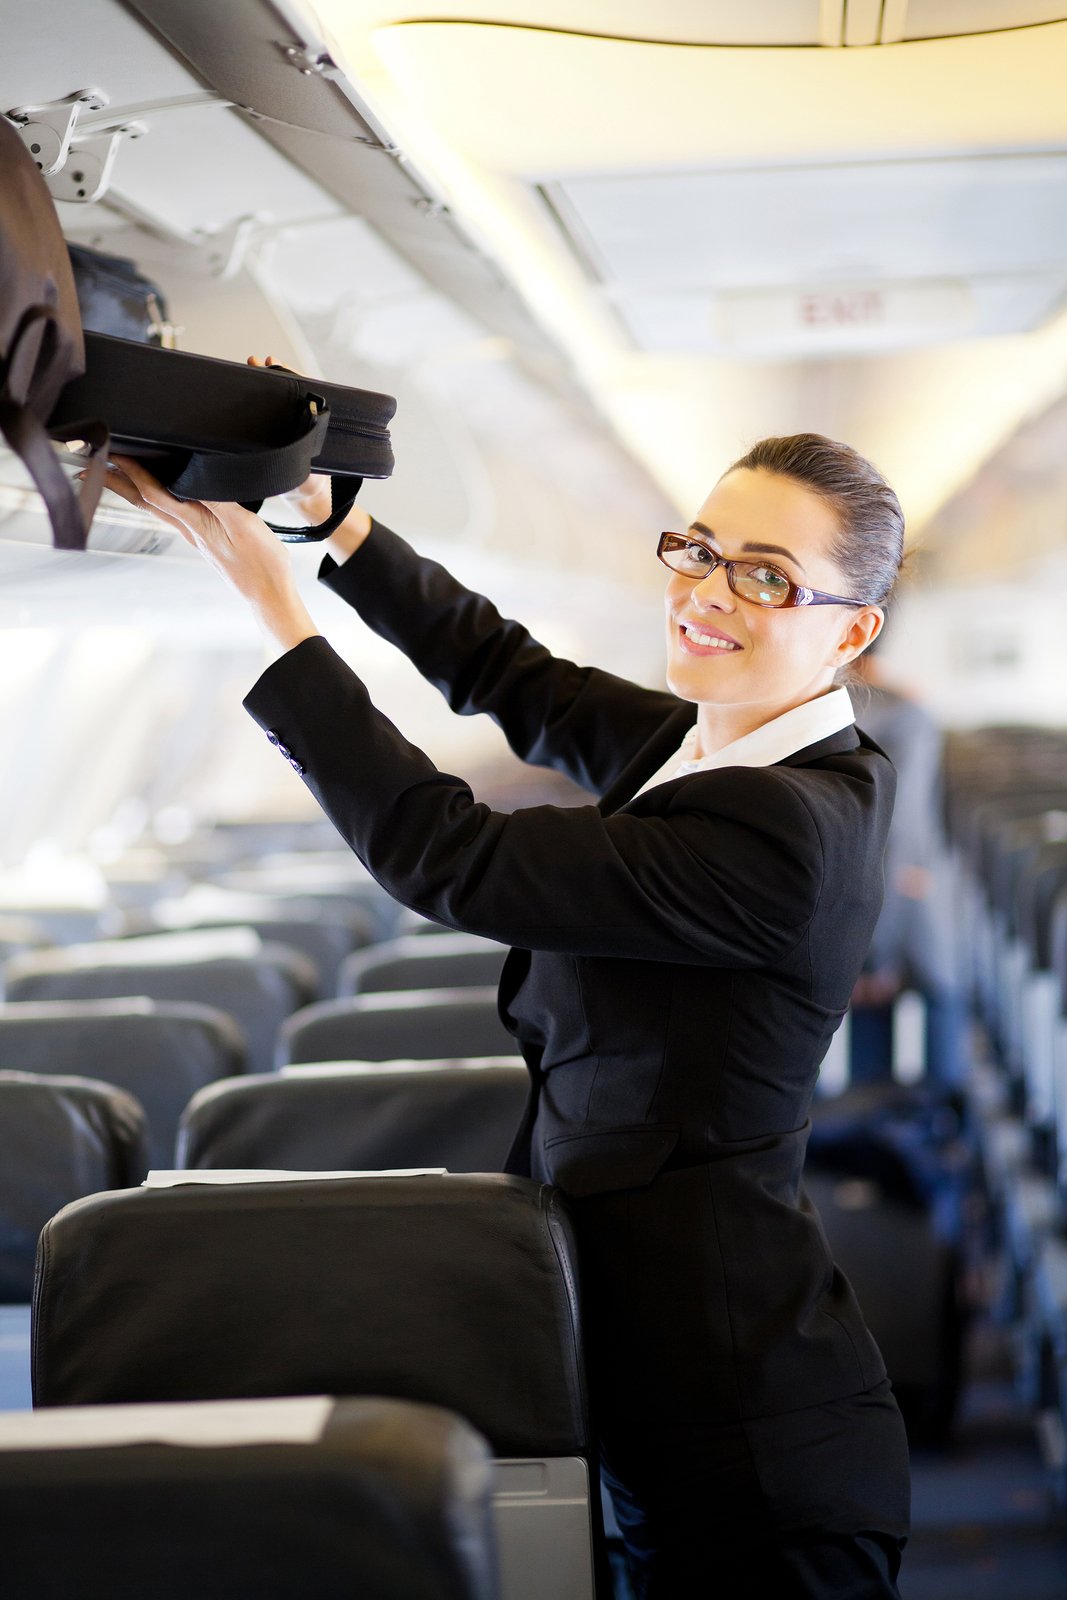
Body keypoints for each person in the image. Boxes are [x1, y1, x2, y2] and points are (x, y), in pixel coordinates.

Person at [99, 430, 911, 1598]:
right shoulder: (717, 747)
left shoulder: (782, 832)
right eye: (699, 549)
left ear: (847, 630)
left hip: (750, 1444)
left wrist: (277, 613)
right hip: (668, 1388)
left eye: (765, 575)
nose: (703, 592)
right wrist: (334, 526)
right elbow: (511, 677)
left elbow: (448, 857)